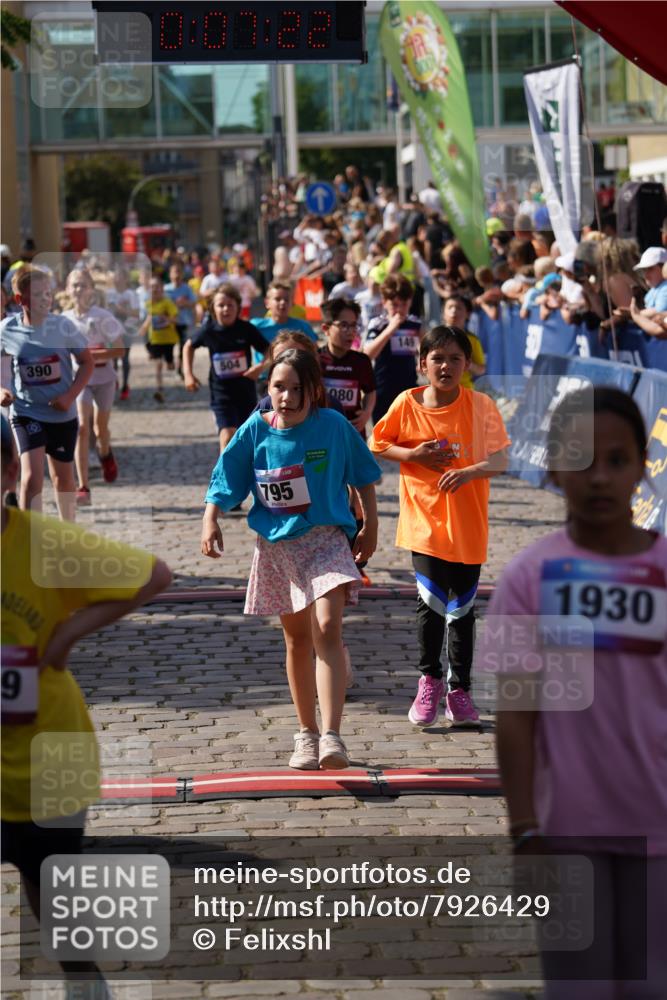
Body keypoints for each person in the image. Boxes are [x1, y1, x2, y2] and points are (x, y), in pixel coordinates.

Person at [487, 387, 667, 998]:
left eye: (616, 460)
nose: (599, 478)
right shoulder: (527, 579)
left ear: (643, 466)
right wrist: (524, 829)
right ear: (553, 468)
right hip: (566, 834)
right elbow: (516, 715)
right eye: (581, 459)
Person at [0, 417, 172, 996]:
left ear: (9, 472)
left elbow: (154, 575)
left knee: (51, 886)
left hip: (51, 751)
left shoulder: (43, 543)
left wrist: (69, 632)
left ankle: (83, 980)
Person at [201, 349, 380, 770]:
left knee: (327, 627)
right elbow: (226, 477)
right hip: (278, 548)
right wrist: (211, 519)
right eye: (279, 387)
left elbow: (364, 475)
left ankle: (333, 736)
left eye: (297, 388)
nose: (287, 396)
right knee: (298, 640)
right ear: (268, 388)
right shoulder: (255, 429)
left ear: (313, 390)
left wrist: (370, 526)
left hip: (326, 540)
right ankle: (306, 733)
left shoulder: (333, 425)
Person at [369, 325, 510, 727]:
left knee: (462, 610)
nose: (445, 366)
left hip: (468, 525)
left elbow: (500, 460)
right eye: (438, 359)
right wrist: (413, 455)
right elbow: (378, 443)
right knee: (431, 605)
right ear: (422, 364)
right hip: (425, 523)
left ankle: (459, 691)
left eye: (454, 359)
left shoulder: (481, 405)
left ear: (466, 365)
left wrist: (468, 472)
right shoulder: (407, 403)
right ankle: (429, 680)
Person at [0, 267, 94, 520]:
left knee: (62, 480)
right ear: (20, 299)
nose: (45, 299)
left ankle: (67, 532)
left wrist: (69, 396)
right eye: (37, 294)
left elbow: (87, 362)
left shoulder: (63, 327)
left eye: (48, 293)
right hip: (26, 413)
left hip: (62, 415)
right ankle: (30, 536)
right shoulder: (6, 329)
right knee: (31, 478)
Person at [63, 269, 125, 506]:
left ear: (91, 289)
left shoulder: (103, 316)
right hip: (80, 380)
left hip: (104, 378)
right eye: (74, 285)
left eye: (83, 285)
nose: (79, 289)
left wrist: (94, 355)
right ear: (67, 290)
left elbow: (119, 350)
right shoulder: (63, 320)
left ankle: (105, 453)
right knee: (81, 428)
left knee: (100, 429)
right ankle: (83, 486)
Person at [182, 284, 269, 453]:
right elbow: (188, 346)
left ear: (238, 307)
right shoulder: (209, 330)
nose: (226, 309)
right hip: (221, 394)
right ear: (213, 309)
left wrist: (261, 367)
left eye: (230, 305)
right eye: (221, 305)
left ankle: (245, 468)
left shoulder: (246, 329)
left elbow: (269, 351)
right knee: (227, 435)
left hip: (245, 392)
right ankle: (226, 470)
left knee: (247, 438)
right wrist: (188, 374)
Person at [363, 274, 422, 423]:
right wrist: (391, 329)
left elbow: (425, 348)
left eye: (404, 304)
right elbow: (367, 355)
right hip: (383, 390)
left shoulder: (415, 324)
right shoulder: (378, 324)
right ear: (384, 302)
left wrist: (423, 358)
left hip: (408, 389)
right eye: (395, 305)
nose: (400, 309)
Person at [138, 275, 179, 403]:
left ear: (162, 288)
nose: (154, 289)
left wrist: (165, 318)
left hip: (168, 339)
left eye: (157, 287)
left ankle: (173, 365)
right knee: (158, 363)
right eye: (152, 287)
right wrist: (144, 328)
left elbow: (175, 319)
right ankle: (159, 387)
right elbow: (149, 318)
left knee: (170, 365)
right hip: (155, 339)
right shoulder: (148, 304)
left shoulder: (167, 303)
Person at [106, 266, 140, 401]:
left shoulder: (131, 294)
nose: (116, 280)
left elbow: (136, 313)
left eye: (119, 277)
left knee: (125, 358)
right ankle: (115, 382)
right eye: (115, 277)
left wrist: (121, 310)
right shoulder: (109, 293)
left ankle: (125, 385)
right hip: (112, 331)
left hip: (127, 329)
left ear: (126, 279)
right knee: (113, 359)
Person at [441, 294, 486, 389]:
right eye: (450, 307)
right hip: (439, 390)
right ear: (443, 313)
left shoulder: (473, 340)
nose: (454, 311)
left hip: (464, 390)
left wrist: (467, 364)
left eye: (459, 308)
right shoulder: (434, 337)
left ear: (468, 314)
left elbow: (481, 369)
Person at [164, 261, 197, 376]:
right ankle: (169, 360)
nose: (176, 275)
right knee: (169, 344)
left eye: (179, 272)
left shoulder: (187, 289)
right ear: (170, 274)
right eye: (174, 272)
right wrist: (174, 305)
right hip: (170, 322)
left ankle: (181, 367)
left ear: (182, 274)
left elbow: (193, 303)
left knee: (184, 345)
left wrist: (184, 303)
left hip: (184, 321)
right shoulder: (165, 289)